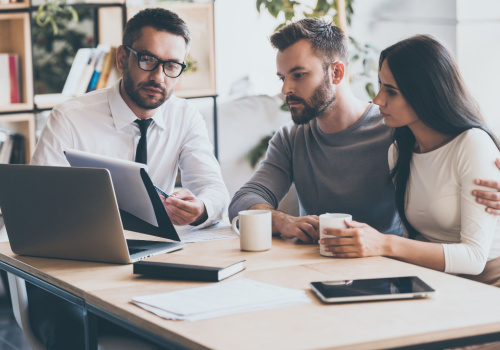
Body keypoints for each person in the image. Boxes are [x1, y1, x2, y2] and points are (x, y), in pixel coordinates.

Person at [27, 8, 229, 349]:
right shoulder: (70, 118)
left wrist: (201, 207)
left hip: (148, 267)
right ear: (123, 57)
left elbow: (215, 190)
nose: (159, 77)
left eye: (172, 66)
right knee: (76, 334)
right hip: (69, 270)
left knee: (201, 326)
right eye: (148, 60)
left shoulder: (186, 117)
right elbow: (35, 210)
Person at [228, 18, 500, 244]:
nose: (285, 89)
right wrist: (282, 220)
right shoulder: (290, 138)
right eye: (282, 77)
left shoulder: (398, 129)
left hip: (390, 272)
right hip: (318, 269)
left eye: (298, 75)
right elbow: (243, 200)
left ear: (336, 73)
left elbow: (457, 146)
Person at [320, 35, 500, 285]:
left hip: (488, 284)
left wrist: (383, 243)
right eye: (380, 84)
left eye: (391, 91)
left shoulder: (472, 144)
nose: (378, 99)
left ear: (426, 94)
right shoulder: (399, 150)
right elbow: (416, 242)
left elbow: (474, 257)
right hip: (436, 281)